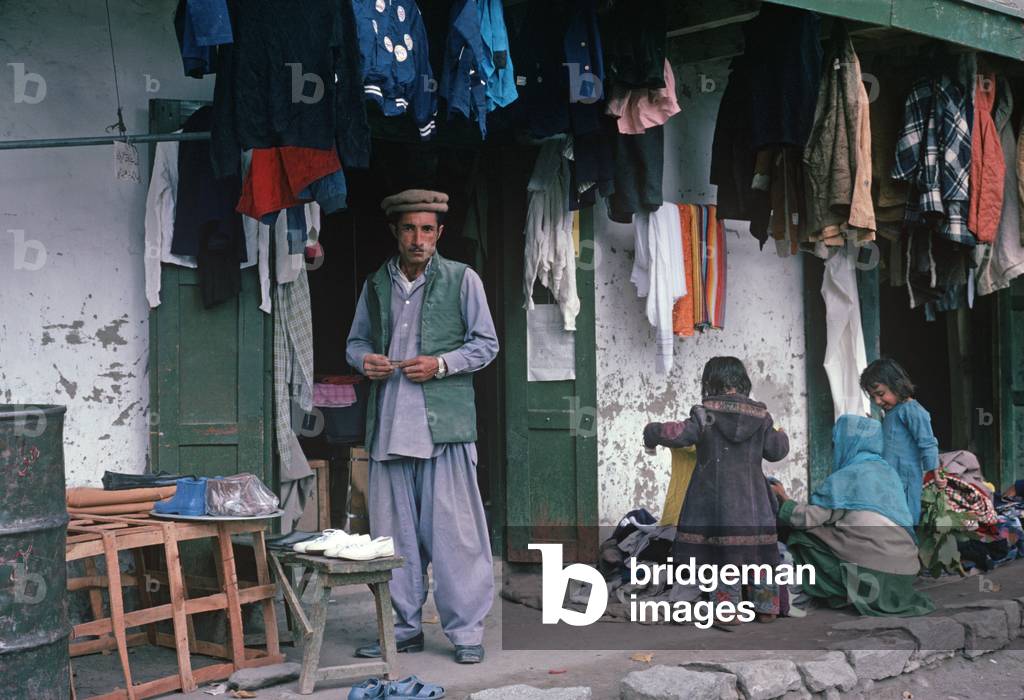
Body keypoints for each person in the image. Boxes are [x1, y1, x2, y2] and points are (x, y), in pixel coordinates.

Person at [346, 189, 499, 664]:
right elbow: (355, 343)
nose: (418, 238)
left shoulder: (462, 279)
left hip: (444, 431)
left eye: (427, 229)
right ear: (395, 231)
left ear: (440, 234)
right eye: (410, 228)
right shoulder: (375, 283)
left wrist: (442, 364)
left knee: (457, 538)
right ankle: (405, 628)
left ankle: (466, 632)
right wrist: (364, 361)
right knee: (395, 540)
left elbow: (486, 345)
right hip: (390, 430)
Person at [643, 356, 789, 623]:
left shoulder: (704, 413)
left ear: (710, 382)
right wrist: (779, 431)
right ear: (742, 381)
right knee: (761, 555)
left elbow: (678, 435)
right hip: (754, 502)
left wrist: (652, 431)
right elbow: (776, 451)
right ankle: (766, 608)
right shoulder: (762, 416)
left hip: (716, 503)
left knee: (723, 556)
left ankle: (728, 609)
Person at [771, 414, 935, 617]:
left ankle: (801, 594)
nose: (834, 448)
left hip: (873, 576)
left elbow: (806, 518)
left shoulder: (849, 475)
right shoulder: (889, 473)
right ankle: (840, 594)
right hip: (904, 575)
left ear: (847, 443)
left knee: (801, 537)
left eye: (835, 442)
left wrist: (785, 500)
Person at [859, 358, 939, 525]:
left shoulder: (912, 410)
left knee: (906, 518)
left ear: (897, 384)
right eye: (873, 397)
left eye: (880, 394)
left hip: (906, 480)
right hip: (889, 477)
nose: (878, 401)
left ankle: (908, 547)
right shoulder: (890, 412)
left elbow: (927, 443)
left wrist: (935, 474)